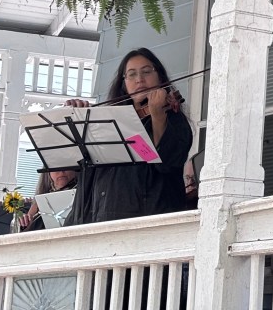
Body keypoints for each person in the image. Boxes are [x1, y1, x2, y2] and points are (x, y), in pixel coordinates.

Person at [65, 48, 193, 225]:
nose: (139, 79)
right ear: (124, 84)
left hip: (146, 223)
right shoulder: (108, 121)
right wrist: (78, 121)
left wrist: (158, 116)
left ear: (160, 78)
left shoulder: (174, 119)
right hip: (96, 221)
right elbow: (79, 166)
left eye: (147, 72)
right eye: (131, 75)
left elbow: (166, 163)